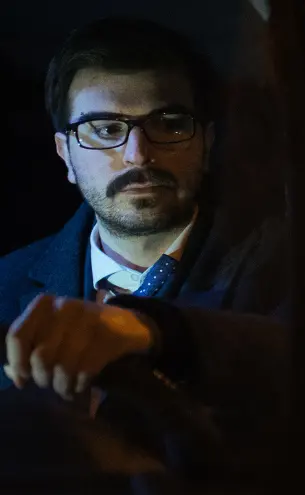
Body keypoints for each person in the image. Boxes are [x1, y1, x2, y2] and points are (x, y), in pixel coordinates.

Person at [0, 18, 285, 401]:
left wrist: (154, 332)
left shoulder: (291, 263)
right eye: (104, 129)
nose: (138, 156)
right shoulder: (6, 284)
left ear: (207, 143)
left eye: (168, 124)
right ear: (64, 154)